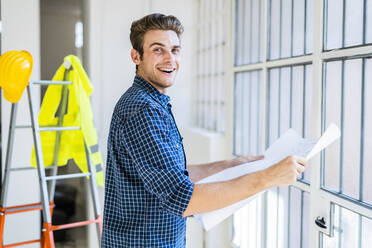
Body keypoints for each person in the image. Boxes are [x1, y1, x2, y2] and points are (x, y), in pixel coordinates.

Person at [101, 13, 307, 248]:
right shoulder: (143, 110)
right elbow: (182, 198)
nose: (170, 59)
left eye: (175, 50)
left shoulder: (152, 103)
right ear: (136, 56)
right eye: (158, 50)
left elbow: (171, 173)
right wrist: (268, 177)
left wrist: (233, 165)